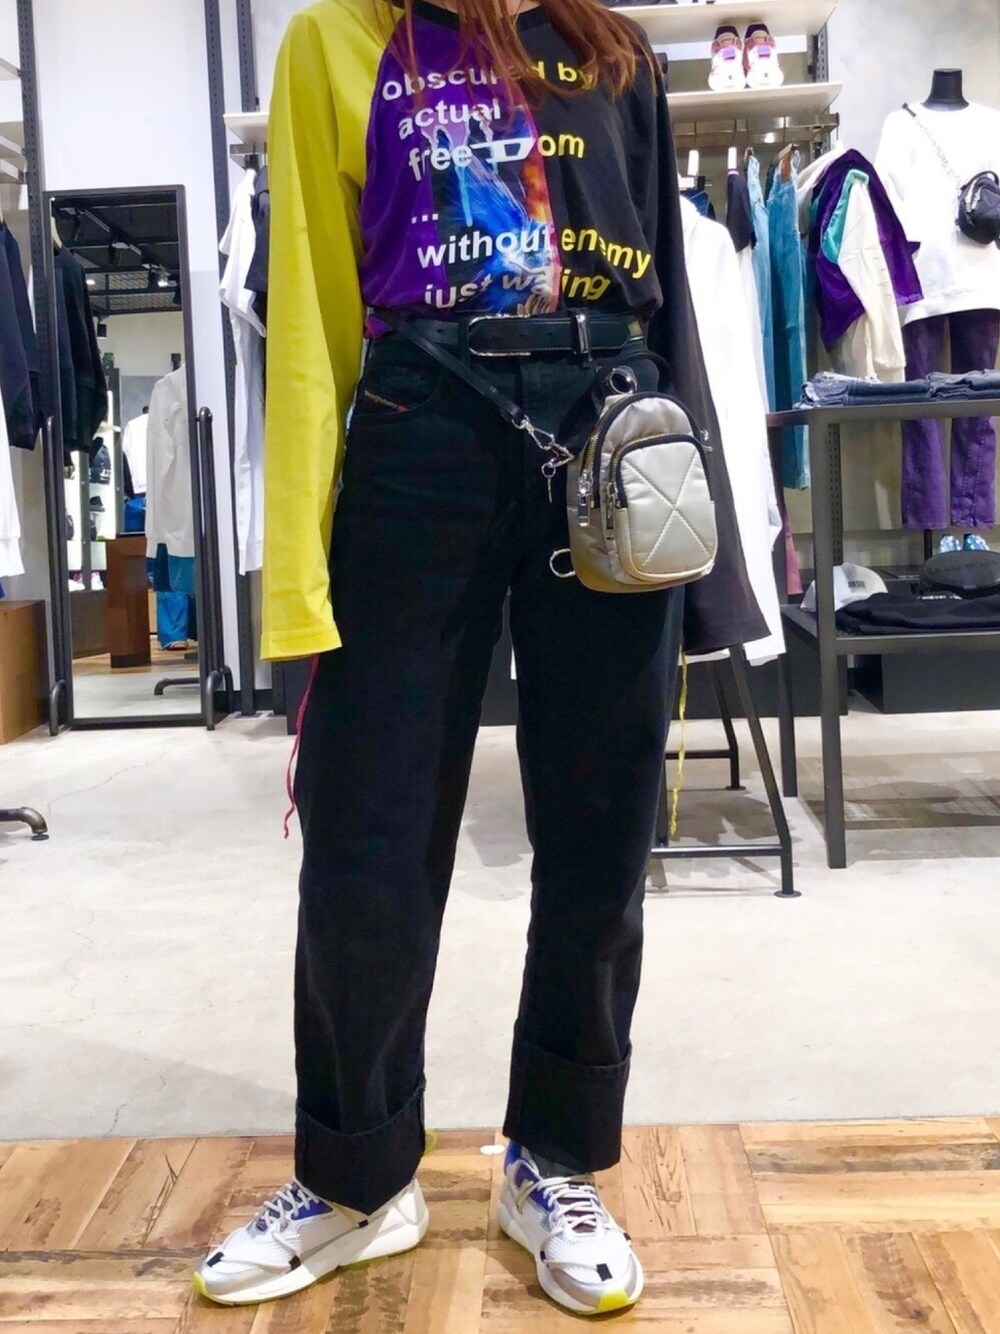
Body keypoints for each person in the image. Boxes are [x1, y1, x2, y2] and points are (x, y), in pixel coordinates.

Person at [194, 0, 764, 1316]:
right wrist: (296, 578)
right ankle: (355, 1176)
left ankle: (553, 1157)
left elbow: (669, 302)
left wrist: (710, 559)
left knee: (600, 826)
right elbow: (311, 323)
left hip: (609, 426)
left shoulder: (612, 47)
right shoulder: (338, 41)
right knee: (368, 831)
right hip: (420, 431)